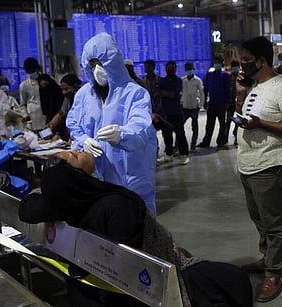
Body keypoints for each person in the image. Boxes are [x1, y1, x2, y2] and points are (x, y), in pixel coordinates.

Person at [18, 150, 253, 307]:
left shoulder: (63, 202)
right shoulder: (114, 206)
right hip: (154, 276)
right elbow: (130, 261)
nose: (80, 150)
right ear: (76, 177)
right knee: (234, 279)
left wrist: (49, 190)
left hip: (92, 281)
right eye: (76, 155)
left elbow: (27, 208)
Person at [235, 36, 282, 303]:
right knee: (259, 219)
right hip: (248, 163)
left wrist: (261, 124)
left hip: (270, 163)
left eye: (246, 61)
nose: (242, 66)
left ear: (262, 61)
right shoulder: (253, 86)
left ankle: (274, 273)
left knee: (273, 223)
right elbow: (245, 117)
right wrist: (240, 98)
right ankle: (267, 258)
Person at [66, 32, 157, 216]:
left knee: (137, 226)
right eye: (92, 64)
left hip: (130, 177)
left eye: (101, 62)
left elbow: (141, 126)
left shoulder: (135, 93)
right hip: (96, 178)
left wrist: (122, 134)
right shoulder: (84, 95)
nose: (97, 69)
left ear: (113, 61)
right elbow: (73, 123)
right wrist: (84, 140)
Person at [157, 61, 190, 164]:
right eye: (168, 68)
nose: (169, 70)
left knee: (180, 134)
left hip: (177, 112)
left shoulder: (178, 81)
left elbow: (175, 94)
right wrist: (167, 94)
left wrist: (166, 93)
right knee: (166, 135)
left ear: (175, 69)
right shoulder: (162, 81)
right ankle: (168, 154)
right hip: (165, 113)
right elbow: (159, 93)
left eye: (172, 68)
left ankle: (184, 154)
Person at [198, 56, 232, 149]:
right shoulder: (209, 75)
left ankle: (220, 141)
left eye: (218, 62)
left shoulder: (225, 75)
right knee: (209, 124)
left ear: (221, 64)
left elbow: (228, 89)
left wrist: (227, 102)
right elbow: (206, 88)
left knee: (222, 123)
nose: (216, 64)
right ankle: (206, 141)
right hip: (212, 103)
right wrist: (204, 101)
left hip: (221, 103)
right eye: (215, 62)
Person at [46, 74, 83, 141]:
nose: (64, 92)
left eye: (66, 89)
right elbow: (61, 114)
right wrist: (51, 125)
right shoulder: (67, 99)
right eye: (62, 89)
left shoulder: (83, 96)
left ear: (75, 86)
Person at [181, 62, 204, 152]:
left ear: (193, 69)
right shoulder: (182, 80)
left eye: (190, 69)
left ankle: (193, 145)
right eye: (187, 69)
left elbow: (201, 93)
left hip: (194, 106)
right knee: (180, 127)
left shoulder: (197, 80)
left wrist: (200, 105)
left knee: (194, 127)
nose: (189, 71)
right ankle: (178, 145)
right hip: (185, 107)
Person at [19, 57, 45, 131]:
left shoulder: (47, 82)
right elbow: (22, 104)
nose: (31, 73)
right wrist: (25, 115)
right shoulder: (24, 85)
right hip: (32, 118)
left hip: (45, 117)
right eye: (29, 71)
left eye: (33, 71)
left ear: (37, 69)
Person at [37, 74, 65, 138]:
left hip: (63, 127)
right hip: (51, 123)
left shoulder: (59, 94)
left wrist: (58, 132)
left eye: (46, 85)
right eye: (42, 86)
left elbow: (62, 114)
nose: (44, 88)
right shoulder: (45, 96)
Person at [225, 60, 241, 146]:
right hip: (230, 101)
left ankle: (236, 137)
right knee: (228, 120)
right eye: (234, 66)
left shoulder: (242, 77)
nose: (235, 68)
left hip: (239, 102)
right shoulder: (228, 77)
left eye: (236, 66)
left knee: (239, 121)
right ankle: (225, 138)